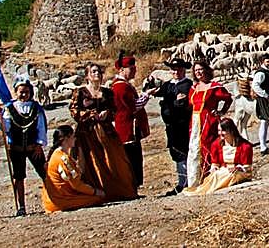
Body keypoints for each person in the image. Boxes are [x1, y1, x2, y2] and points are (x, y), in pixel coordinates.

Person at [68, 63, 136, 200]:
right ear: (87, 75)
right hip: (87, 132)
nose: (97, 74)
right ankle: (94, 191)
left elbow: (114, 109)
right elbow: (74, 111)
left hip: (106, 131)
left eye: (98, 71)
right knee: (89, 160)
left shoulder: (107, 92)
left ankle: (115, 190)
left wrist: (108, 113)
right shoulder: (80, 92)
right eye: (93, 72)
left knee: (113, 159)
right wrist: (89, 114)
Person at [0, 75, 48, 216]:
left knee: (45, 173)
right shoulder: (9, 109)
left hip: (34, 148)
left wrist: (40, 145)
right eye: (21, 92)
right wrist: (1, 121)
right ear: (16, 92)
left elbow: (41, 128)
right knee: (19, 177)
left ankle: (54, 198)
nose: (24, 95)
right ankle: (21, 206)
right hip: (16, 149)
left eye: (27, 92)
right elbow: (6, 128)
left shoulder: (36, 109)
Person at [146, 58, 193, 195]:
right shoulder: (168, 85)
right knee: (176, 152)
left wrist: (174, 103)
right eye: (173, 69)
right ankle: (182, 182)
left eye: (178, 69)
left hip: (183, 125)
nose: (176, 71)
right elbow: (155, 92)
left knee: (185, 151)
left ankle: (187, 181)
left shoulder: (187, 84)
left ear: (183, 70)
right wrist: (150, 82)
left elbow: (184, 104)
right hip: (171, 125)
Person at [185, 62, 233, 190]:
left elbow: (228, 98)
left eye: (201, 69)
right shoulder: (193, 88)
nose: (198, 72)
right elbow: (190, 104)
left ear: (206, 70)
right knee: (195, 149)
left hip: (208, 121)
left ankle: (210, 178)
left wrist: (221, 112)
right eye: (196, 70)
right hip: (195, 122)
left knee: (208, 147)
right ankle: (195, 181)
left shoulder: (214, 87)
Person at [41, 124, 106, 213]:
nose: (75, 139)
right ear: (66, 139)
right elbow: (76, 184)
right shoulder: (63, 158)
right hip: (60, 200)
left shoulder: (57, 155)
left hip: (54, 198)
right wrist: (95, 192)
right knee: (97, 198)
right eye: (73, 136)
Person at [111, 51, 150, 192]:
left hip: (127, 127)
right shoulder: (121, 87)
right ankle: (130, 188)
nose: (134, 71)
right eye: (131, 69)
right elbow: (133, 107)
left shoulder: (122, 85)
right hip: (127, 128)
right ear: (122, 70)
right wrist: (146, 96)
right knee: (131, 158)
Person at [182, 118, 255, 194]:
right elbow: (215, 163)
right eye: (219, 131)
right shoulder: (216, 144)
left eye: (223, 131)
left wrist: (238, 168)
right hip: (223, 171)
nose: (220, 133)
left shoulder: (245, 146)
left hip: (238, 173)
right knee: (216, 174)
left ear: (231, 131)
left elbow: (247, 167)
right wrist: (214, 168)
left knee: (225, 175)